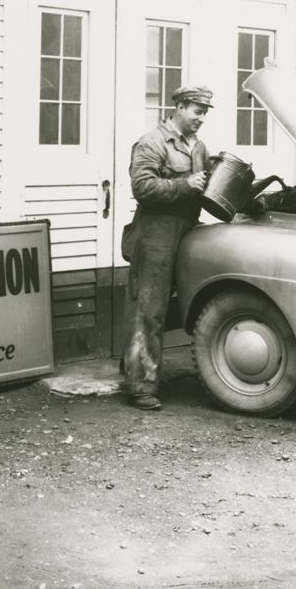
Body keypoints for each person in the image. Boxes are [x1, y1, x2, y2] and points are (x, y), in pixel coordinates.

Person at [120, 85, 213, 410]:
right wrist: (183, 184)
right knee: (150, 310)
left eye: (205, 113)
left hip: (187, 230)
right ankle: (141, 387)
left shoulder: (198, 146)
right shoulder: (153, 142)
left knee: (170, 307)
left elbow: (206, 186)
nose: (201, 118)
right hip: (155, 234)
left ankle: (136, 368)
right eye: (197, 111)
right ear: (180, 106)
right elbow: (142, 187)